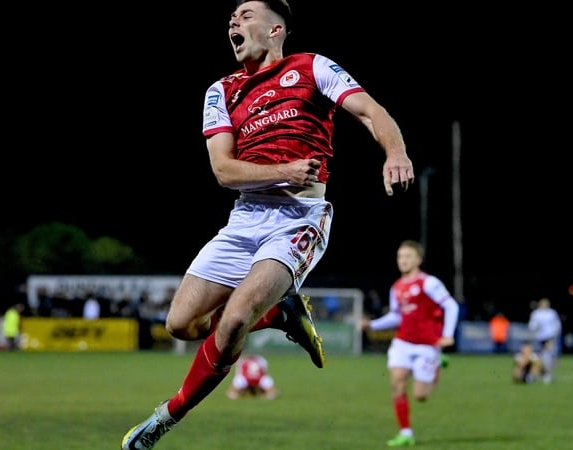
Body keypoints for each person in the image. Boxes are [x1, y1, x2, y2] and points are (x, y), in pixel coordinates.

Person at [120, 1, 414, 449]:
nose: (233, 22)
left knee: (236, 318)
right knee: (180, 324)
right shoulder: (221, 90)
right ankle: (280, 312)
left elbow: (372, 112)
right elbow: (223, 170)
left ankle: (163, 418)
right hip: (245, 219)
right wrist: (285, 170)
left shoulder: (312, 67)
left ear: (276, 29)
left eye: (246, 15)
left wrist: (395, 152)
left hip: (299, 218)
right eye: (231, 18)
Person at [359, 240, 459, 447]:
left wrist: (447, 334)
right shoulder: (397, 287)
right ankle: (405, 432)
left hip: (427, 345)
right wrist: (373, 325)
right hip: (403, 342)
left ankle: (436, 364)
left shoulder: (429, 283)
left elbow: (451, 306)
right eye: (400, 257)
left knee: (421, 395)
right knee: (397, 383)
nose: (403, 260)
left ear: (418, 260)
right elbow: (397, 317)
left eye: (407, 256)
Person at [528, 297, 561, 384]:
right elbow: (532, 325)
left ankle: (547, 374)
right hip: (540, 338)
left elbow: (557, 324)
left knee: (549, 356)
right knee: (542, 357)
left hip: (549, 336)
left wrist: (555, 333)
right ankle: (538, 374)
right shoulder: (536, 313)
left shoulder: (552, 313)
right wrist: (535, 328)